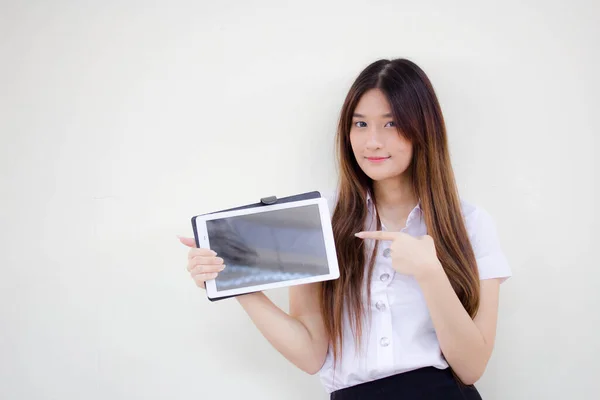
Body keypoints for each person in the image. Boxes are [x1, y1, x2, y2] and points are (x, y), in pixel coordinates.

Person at [179, 58, 512, 399]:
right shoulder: (320, 218)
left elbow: (472, 367)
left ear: (423, 128)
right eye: (360, 124)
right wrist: (237, 281)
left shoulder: (469, 223)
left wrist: (430, 272)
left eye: (392, 123)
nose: (372, 142)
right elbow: (310, 354)